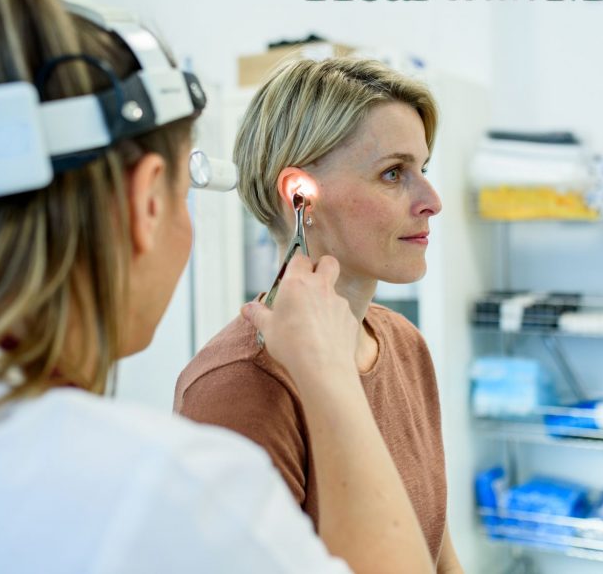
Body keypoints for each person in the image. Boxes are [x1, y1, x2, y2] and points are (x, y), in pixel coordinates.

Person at [0, 0, 436, 574]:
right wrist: (327, 379)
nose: (427, 200)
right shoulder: (168, 487)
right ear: (146, 199)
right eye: (187, 190)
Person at [175, 57, 464, 573]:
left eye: (424, 170)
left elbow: (435, 547)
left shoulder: (402, 342)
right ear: (300, 197)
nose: (432, 201)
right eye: (394, 173)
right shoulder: (234, 388)